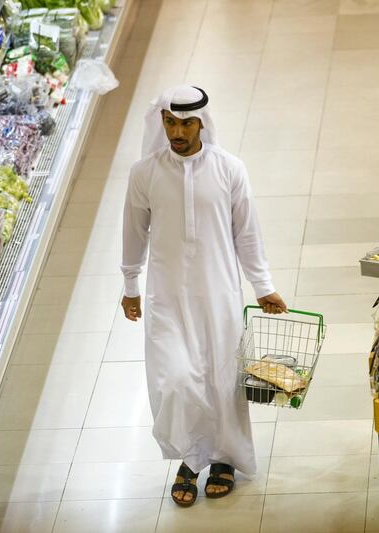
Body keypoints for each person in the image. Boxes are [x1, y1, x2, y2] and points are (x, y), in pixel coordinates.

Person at [120, 85, 287, 507]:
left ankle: (223, 459)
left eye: (186, 123)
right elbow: (132, 234)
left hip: (219, 294)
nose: (177, 131)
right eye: (170, 122)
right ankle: (192, 457)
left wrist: (262, 285)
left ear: (203, 123)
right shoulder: (145, 173)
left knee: (222, 381)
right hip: (167, 298)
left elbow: (246, 233)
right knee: (176, 380)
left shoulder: (230, 169)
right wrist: (129, 286)